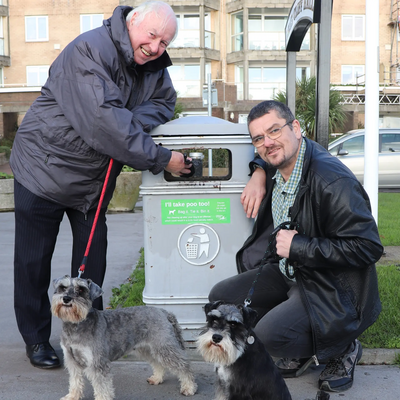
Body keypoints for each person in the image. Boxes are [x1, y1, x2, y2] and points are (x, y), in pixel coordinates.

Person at [10, 1, 191, 369]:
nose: (156, 46)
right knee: (33, 261)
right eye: (152, 35)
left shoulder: (154, 66)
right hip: (44, 167)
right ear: (132, 22)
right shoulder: (90, 49)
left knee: (93, 261)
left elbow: (164, 102)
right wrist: (160, 157)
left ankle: (93, 335)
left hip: (94, 180)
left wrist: (129, 119)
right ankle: (36, 340)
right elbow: (104, 124)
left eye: (165, 41)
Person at [209, 100, 383, 393]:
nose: (268, 142)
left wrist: (300, 247)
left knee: (267, 336)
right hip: (291, 270)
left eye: (274, 130)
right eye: (259, 139)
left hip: (332, 285)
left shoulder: (331, 181)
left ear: (296, 128)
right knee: (222, 297)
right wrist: (259, 172)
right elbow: (272, 152)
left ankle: (343, 348)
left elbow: (368, 247)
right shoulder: (281, 163)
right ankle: (303, 345)